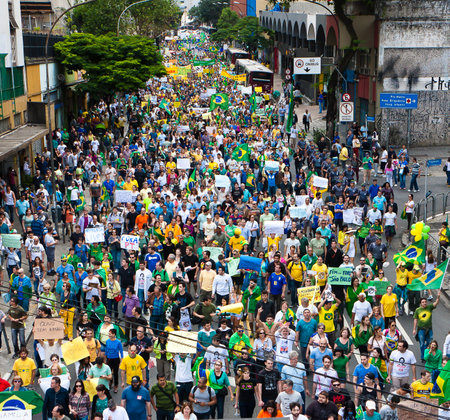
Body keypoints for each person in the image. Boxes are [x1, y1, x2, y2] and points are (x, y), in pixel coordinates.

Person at [413, 293, 441, 362]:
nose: (425, 303)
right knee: (422, 344)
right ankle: (423, 357)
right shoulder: (418, 310)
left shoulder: (429, 307)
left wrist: (438, 297)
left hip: (429, 329)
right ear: (420, 304)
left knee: (429, 342)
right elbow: (415, 319)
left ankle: (427, 352)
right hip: (421, 330)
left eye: (425, 302)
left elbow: (436, 303)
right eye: (423, 302)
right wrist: (414, 329)